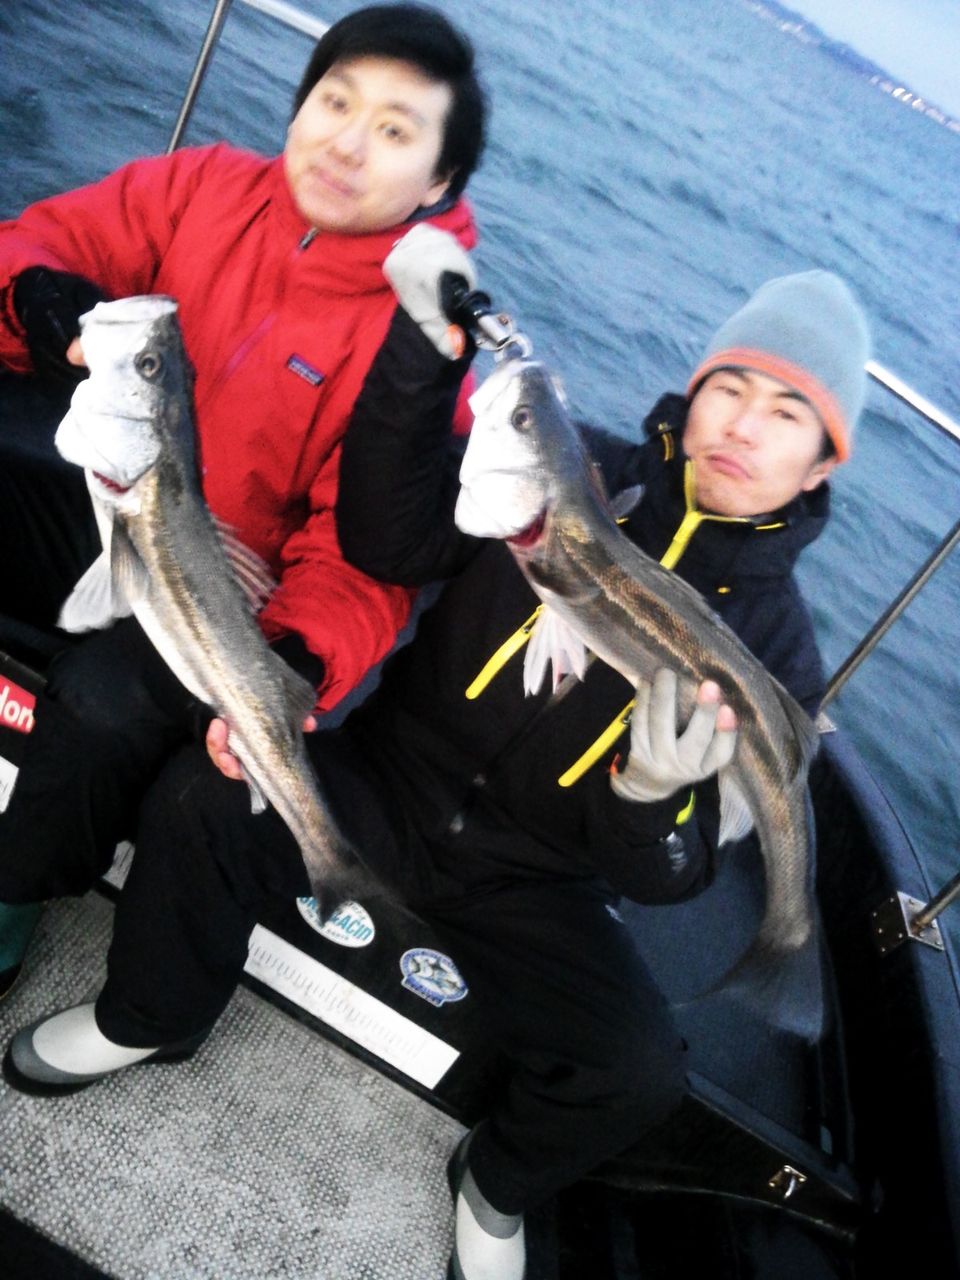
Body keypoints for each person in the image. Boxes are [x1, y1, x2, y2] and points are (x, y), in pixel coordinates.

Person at [2, 268, 871, 1280]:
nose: (745, 425)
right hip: (391, 775)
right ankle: (147, 1017)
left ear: (823, 463)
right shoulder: (568, 466)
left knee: (638, 1071)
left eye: (789, 413)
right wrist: (419, 360)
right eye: (732, 387)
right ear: (693, 389)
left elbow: (672, 875)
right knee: (202, 799)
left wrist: (648, 797)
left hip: (542, 878)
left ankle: (496, 1185)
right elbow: (388, 531)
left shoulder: (781, 657)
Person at [0, 4, 488, 997]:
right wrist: (41, 303)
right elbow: (43, 240)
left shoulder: (422, 352)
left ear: (439, 183)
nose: (346, 143)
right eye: (334, 102)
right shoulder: (205, 185)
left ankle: (13, 896)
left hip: (233, 600)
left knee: (102, 706)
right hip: (115, 500)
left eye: (394, 130)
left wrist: (298, 657)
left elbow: (369, 557)